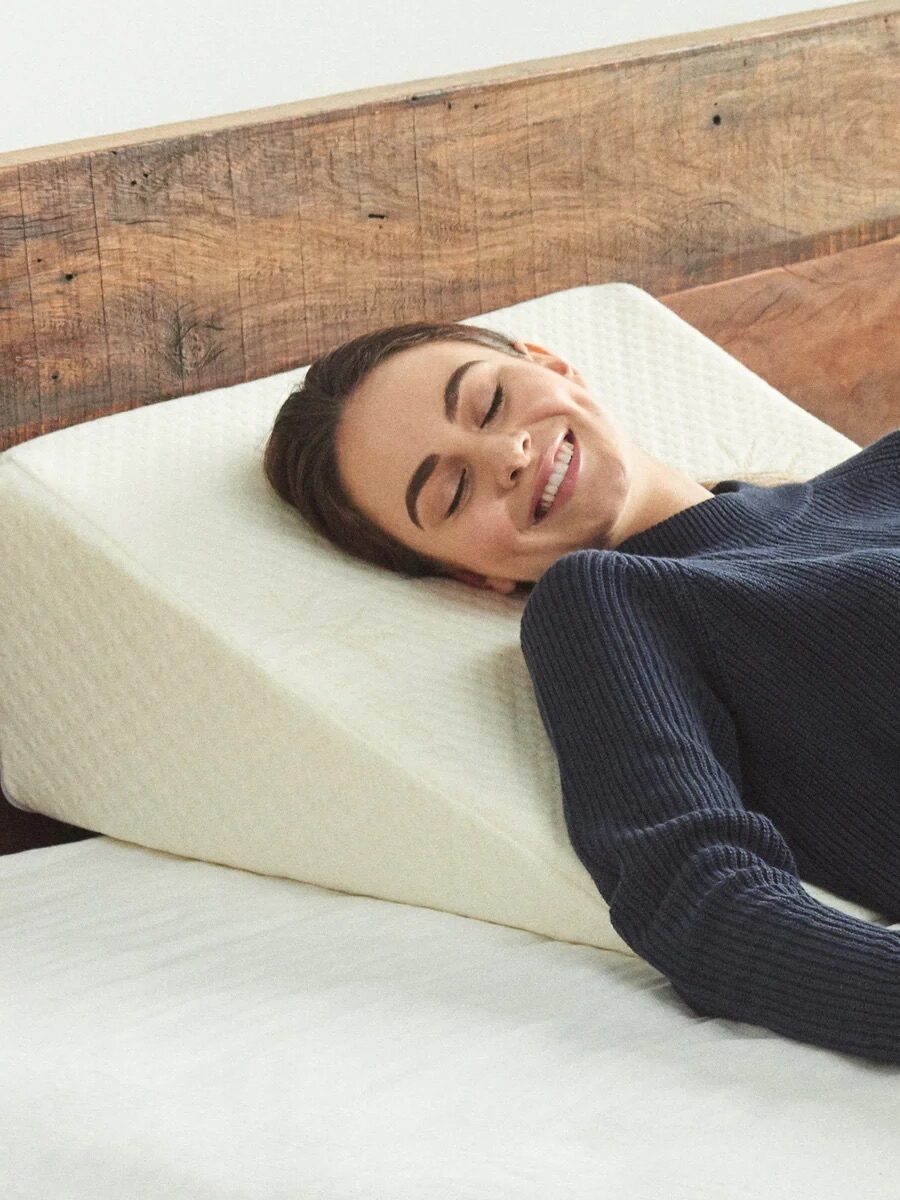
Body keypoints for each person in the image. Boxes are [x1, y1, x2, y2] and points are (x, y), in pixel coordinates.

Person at [265, 320, 900, 1064]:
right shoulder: (610, 604)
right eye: (452, 490)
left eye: (490, 402)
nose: (506, 455)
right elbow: (704, 900)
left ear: (552, 363)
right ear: (473, 576)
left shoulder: (883, 470)